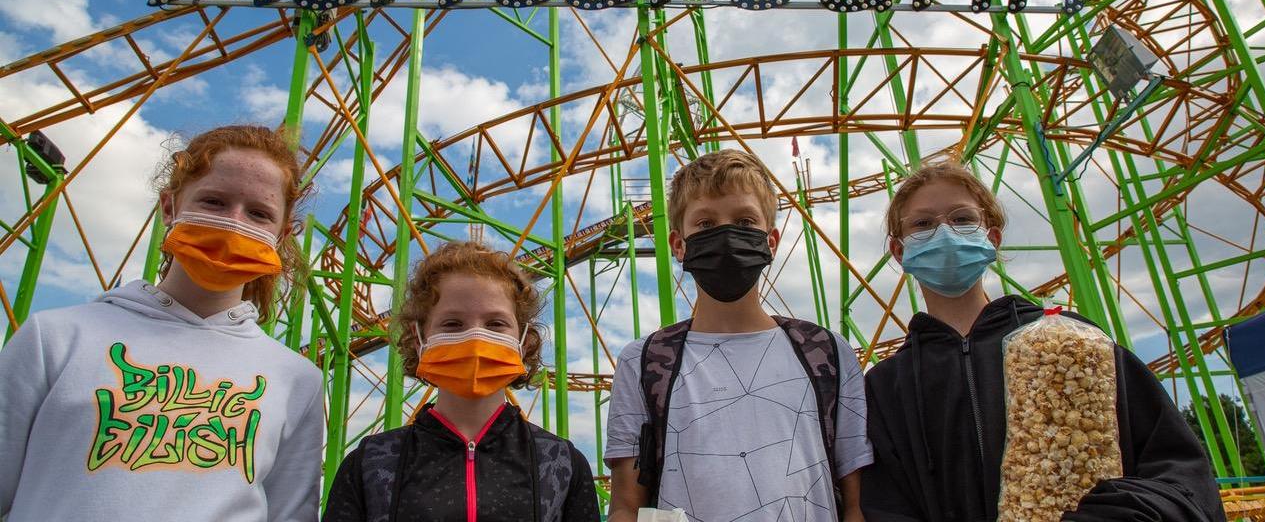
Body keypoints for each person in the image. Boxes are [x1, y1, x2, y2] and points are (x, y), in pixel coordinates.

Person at [859, 161, 1226, 522]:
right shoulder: (884, 386)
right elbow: (883, 504)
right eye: (923, 224)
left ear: (992, 237)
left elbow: (1179, 472)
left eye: (962, 219)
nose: (944, 233)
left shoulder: (1070, 343)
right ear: (899, 251)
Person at [0, 124, 324, 521]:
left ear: (282, 233)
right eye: (214, 202)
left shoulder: (296, 378)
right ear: (169, 207)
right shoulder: (53, 337)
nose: (233, 223)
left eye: (258, 213)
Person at [606, 149, 873, 522]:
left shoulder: (826, 352)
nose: (727, 234)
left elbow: (857, 503)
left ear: (772, 241)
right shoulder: (644, 360)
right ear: (678, 245)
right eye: (705, 224)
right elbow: (625, 506)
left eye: (746, 221)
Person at [322, 240, 600, 522]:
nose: (476, 337)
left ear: (524, 342)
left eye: (496, 324)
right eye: (452, 324)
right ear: (419, 340)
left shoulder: (560, 463)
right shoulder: (371, 464)